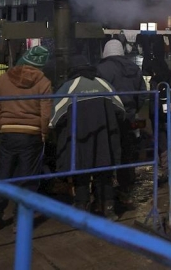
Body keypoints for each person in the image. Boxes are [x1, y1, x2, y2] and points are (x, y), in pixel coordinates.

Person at [0, 46, 53, 233]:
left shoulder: (3, 79)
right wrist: (43, 132)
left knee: (2, 174)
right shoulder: (44, 82)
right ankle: (20, 219)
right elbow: (45, 112)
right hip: (31, 135)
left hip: (8, 133)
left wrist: (1, 126)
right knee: (27, 178)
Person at [50, 55, 124, 220]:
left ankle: (82, 206)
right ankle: (108, 207)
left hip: (80, 140)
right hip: (104, 139)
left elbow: (55, 117)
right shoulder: (104, 84)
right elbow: (120, 109)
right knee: (105, 172)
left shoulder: (69, 87)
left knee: (81, 173)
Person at [96, 39, 147, 208]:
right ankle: (125, 190)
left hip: (109, 117)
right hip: (129, 117)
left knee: (108, 154)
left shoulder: (101, 69)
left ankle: (107, 195)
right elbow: (142, 93)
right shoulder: (134, 68)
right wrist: (133, 110)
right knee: (127, 154)